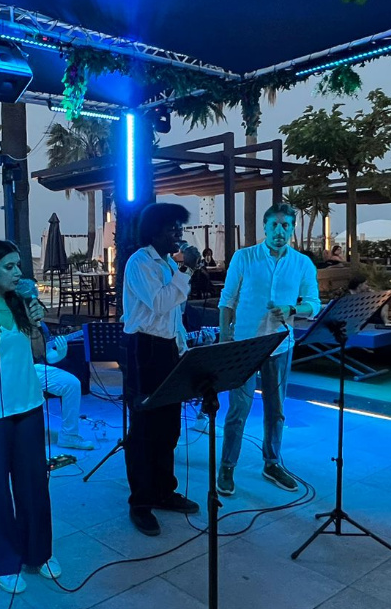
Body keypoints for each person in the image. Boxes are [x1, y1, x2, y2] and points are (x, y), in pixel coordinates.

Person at [0, 241, 65, 594]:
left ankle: (39, 552)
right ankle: (0, 562)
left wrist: (38, 326)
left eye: (18, 265)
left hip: (28, 404)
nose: (18, 272)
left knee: (34, 483)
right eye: (9, 267)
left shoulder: (21, 302)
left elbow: (35, 352)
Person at [217, 203, 321, 495]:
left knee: (276, 410)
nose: (279, 231)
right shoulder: (244, 257)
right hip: (244, 345)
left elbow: (313, 303)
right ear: (264, 227)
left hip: (279, 344)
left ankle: (272, 463)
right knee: (238, 409)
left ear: (292, 229)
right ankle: (227, 466)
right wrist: (225, 337)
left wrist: (292, 309)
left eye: (285, 225)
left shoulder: (302, 263)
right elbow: (227, 300)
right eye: (274, 225)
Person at [122, 202, 203, 536]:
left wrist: (182, 348)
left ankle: (163, 491)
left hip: (167, 348)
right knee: (144, 429)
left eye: (180, 229)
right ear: (154, 232)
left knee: (169, 426)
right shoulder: (140, 263)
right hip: (144, 349)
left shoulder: (169, 263)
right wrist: (186, 270)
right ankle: (141, 503)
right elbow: (159, 303)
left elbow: (173, 315)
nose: (178, 235)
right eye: (172, 229)